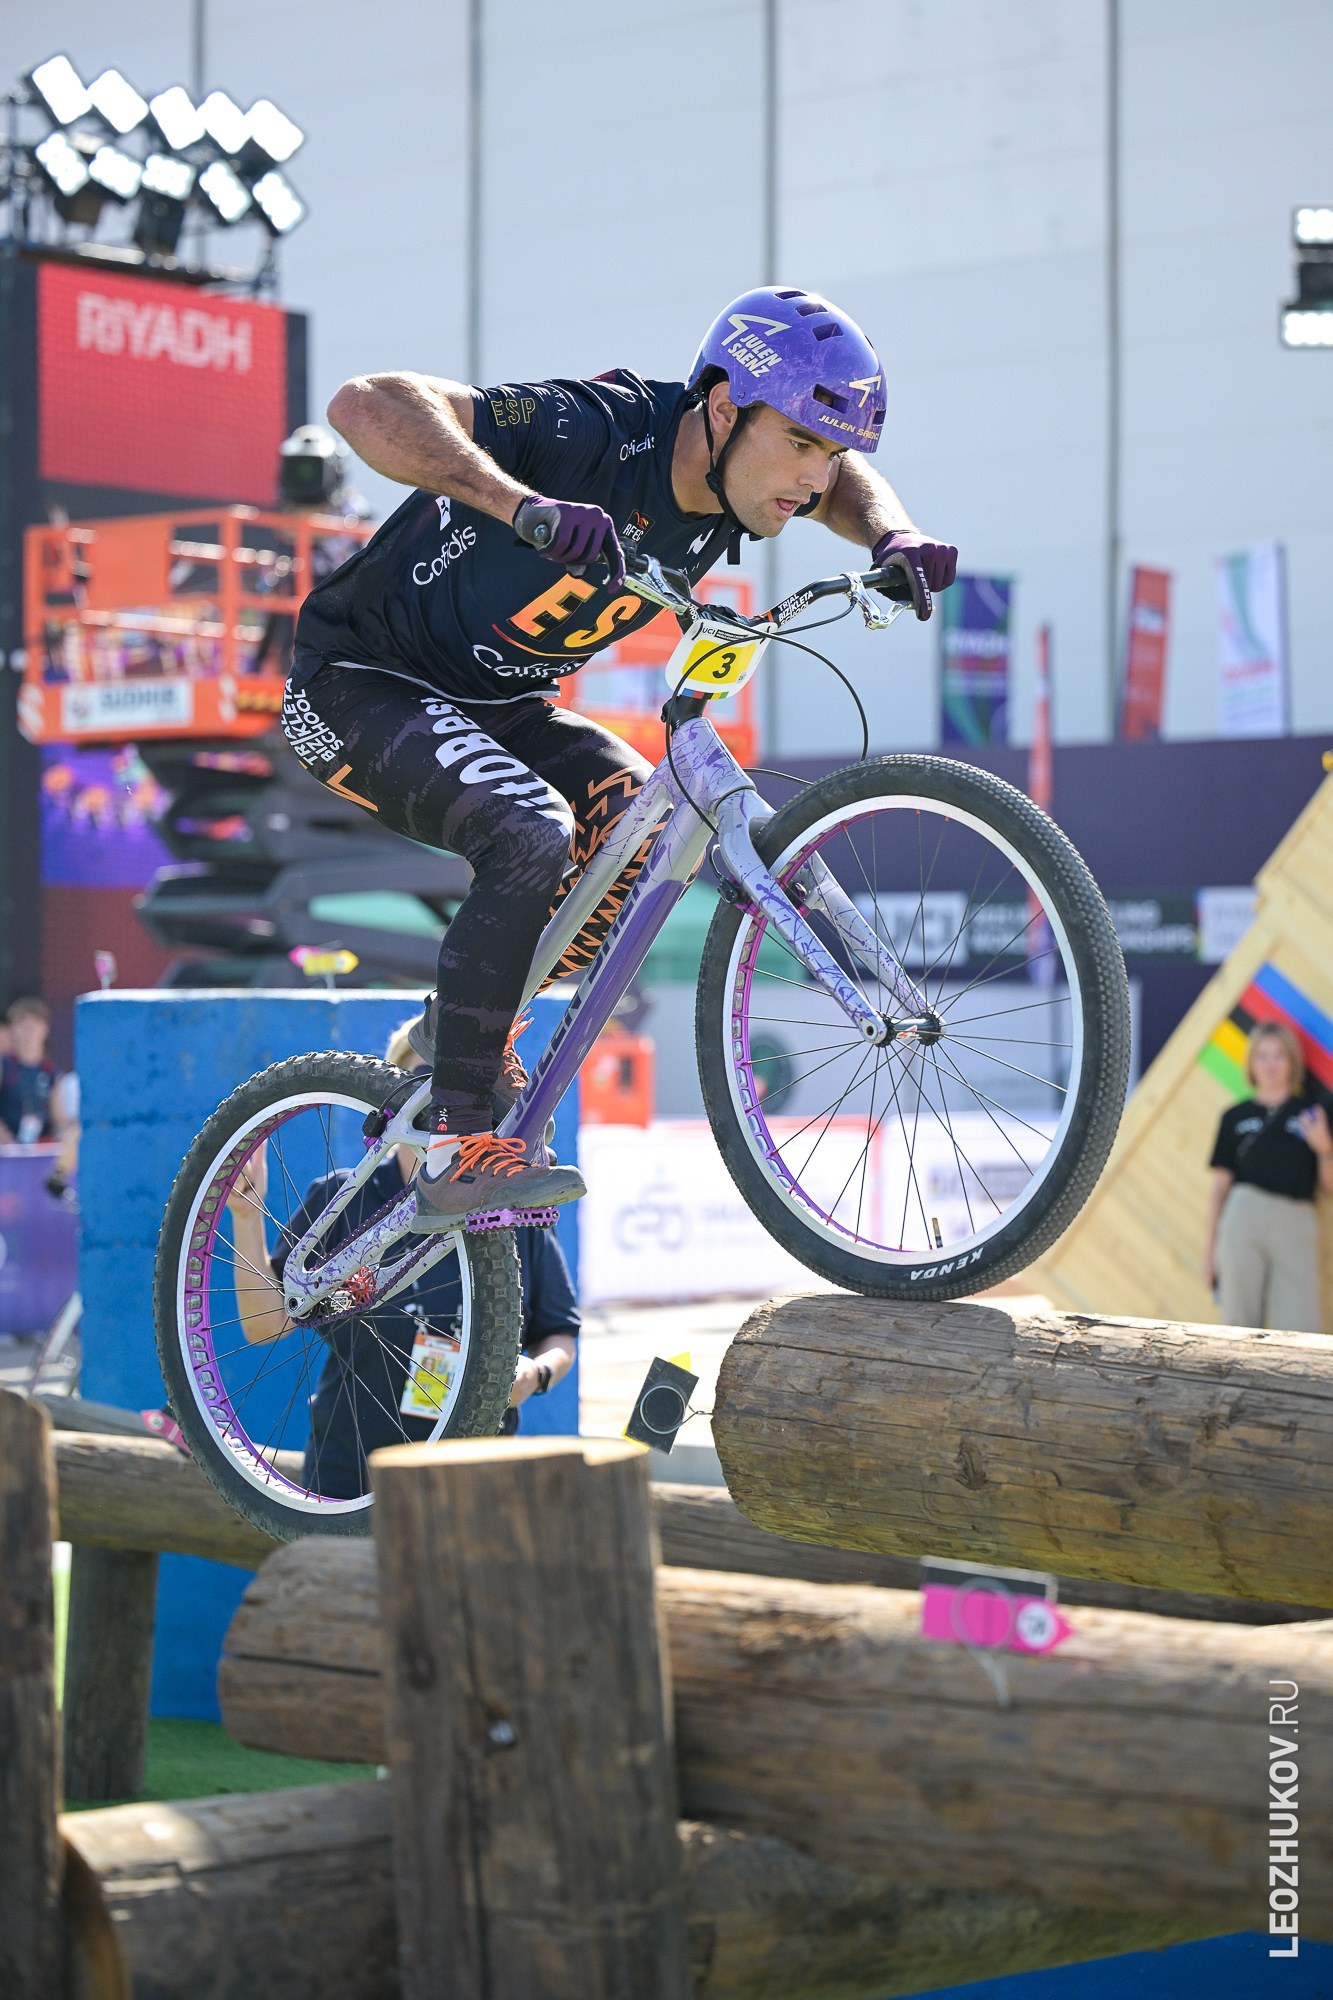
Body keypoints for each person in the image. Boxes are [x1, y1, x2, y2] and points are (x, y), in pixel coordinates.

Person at [284, 285, 957, 1228]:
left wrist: (893, 533)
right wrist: (519, 506)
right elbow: (363, 403)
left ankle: (457, 1036)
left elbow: (842, 486)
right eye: (800, 444)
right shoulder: (596, 429)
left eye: (829, 451)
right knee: (532, 830)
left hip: (501, 704)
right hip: (356, 683)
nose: (812, 477)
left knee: (629, 838)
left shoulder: (748, 483)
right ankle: (454, 1139)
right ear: (722, 407)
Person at [223, 1021, 580, 1497]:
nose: (441, 1099)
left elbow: (558, 1332)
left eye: (458, 1085)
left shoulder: (508, 1204)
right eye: (425, 1078)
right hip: (350, 1471)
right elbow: (266, 1325)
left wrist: (534, 1375)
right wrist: (247, 1218)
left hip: (477, 1472)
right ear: (393, 1101)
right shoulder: (342, 1198)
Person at [1204, 1021, 1333, 1333]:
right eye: (1262, 1055)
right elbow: (1219, 1188)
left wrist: (1325, 1149)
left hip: (1296, 1219)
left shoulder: (1312, 1114)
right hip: (1243, 1216)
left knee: (1301, 1326)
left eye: (1279, 1056)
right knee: (1238, 1323)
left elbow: (1329, 1188)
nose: (1270, 1064)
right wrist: (1209, 1251)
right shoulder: (1234, 1117)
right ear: (1251, 1063)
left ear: (1292, 1062)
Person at [0, 998, 59, 1144]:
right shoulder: (4, 1065)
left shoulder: (52, 1072)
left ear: (46, 1029)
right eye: (23, 1023)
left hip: (40, 1150)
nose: (29, 1030)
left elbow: (60, 1120)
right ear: (12, 1029)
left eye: (35, 1024)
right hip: (7, 1151)